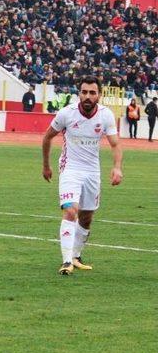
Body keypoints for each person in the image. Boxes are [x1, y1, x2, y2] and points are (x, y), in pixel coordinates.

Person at [41, 76, 123, 275]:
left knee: (86, 218)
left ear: (99, 95)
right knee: (70, 211)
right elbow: (47, 137)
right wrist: (46, 165)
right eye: (84, 92)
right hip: (70, 168)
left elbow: (115, 143)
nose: (87, 96)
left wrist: (117, 167)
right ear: (79, 93)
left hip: (92, 171)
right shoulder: (66, 113)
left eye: (92, 93)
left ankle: (76, 256)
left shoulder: (106, 116)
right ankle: (66, 261)